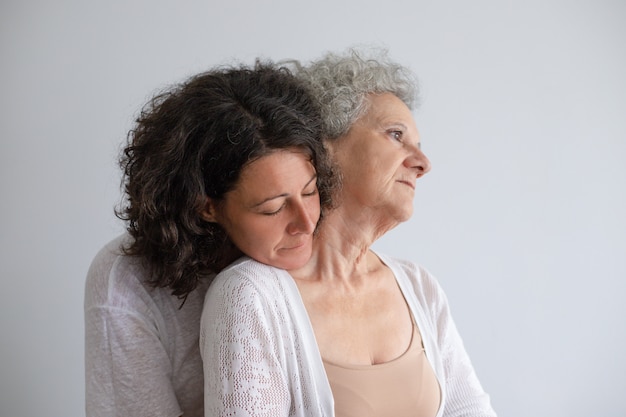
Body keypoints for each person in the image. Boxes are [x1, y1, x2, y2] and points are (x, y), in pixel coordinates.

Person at [200, 48, 497, 416]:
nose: (423, 163)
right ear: (325, 145)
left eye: (418, 146)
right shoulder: (251, 295)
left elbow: (468, 409)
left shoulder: (419, 287)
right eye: (395, 134)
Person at [84, 62, 336, 417]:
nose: (306, 223)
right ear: (207, 207)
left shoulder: (332, 247)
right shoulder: (126, 283)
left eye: (309, 192)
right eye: (272, 209)